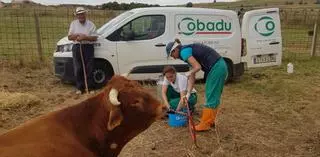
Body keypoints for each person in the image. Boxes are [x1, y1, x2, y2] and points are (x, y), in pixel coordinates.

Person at [166, 38, 228, 131]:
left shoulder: (184, 52)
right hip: (218, 66)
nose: (173, 57)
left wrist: (188, 73)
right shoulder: (186, 52)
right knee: (212, 95)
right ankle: (210, 121)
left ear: (175, 50)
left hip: (217, 67)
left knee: (211, 95)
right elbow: (192, 76)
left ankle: (205, 124)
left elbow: (197, 67)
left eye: (172, 54)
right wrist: (188, 93)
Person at [68, 7, 98, 94]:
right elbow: (69, 37)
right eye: (79, 14)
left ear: (85, 14)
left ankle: (90, 88)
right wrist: (77, 35)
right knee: (78, 68)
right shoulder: (73, 24)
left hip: (88, 47)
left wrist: (85, 37)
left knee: (89, 68)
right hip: (77, 47)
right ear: (77, 16)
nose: (81, 16)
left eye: (82, 14)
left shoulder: (91, 24)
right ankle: (80, 88)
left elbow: (95, 37)